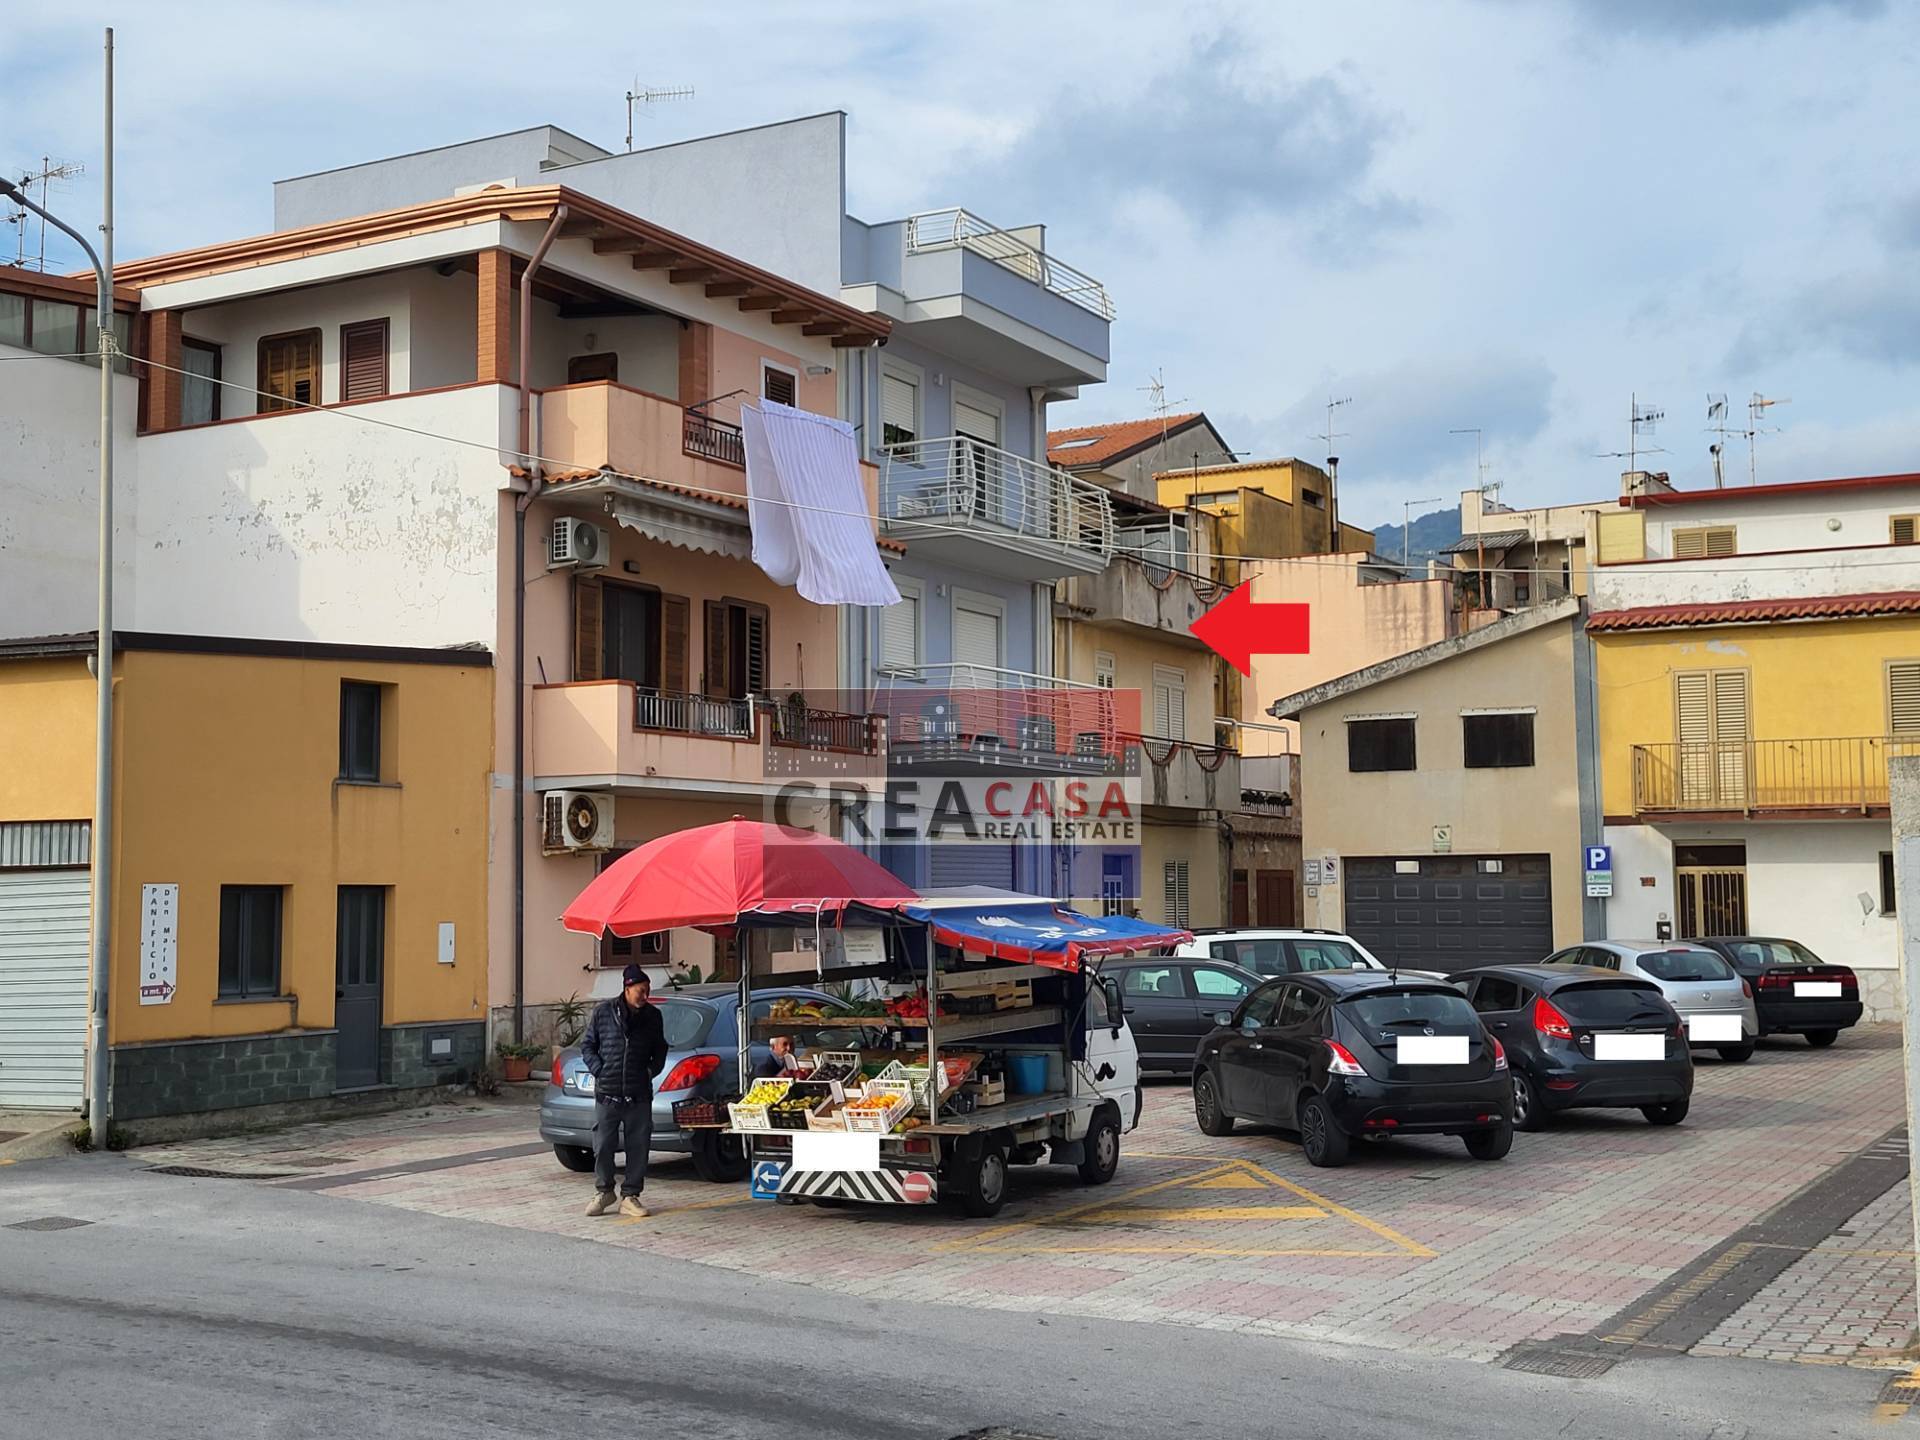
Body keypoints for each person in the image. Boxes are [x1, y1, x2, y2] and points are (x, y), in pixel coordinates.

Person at [579, 964, 668, 1218]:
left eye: (647, 991)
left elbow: (660, 1049)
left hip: (638, 1093)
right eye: (640, 990)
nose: (644, 996)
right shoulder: (603, 1012)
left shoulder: (653, 1016)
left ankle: (631, 1196)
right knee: (603, 1144)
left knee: (638, 1145)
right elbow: (588, 1045)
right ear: (627, 989)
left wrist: (650, 1071)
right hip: (607, 1092)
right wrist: (599, 1069)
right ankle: (604, 1190)